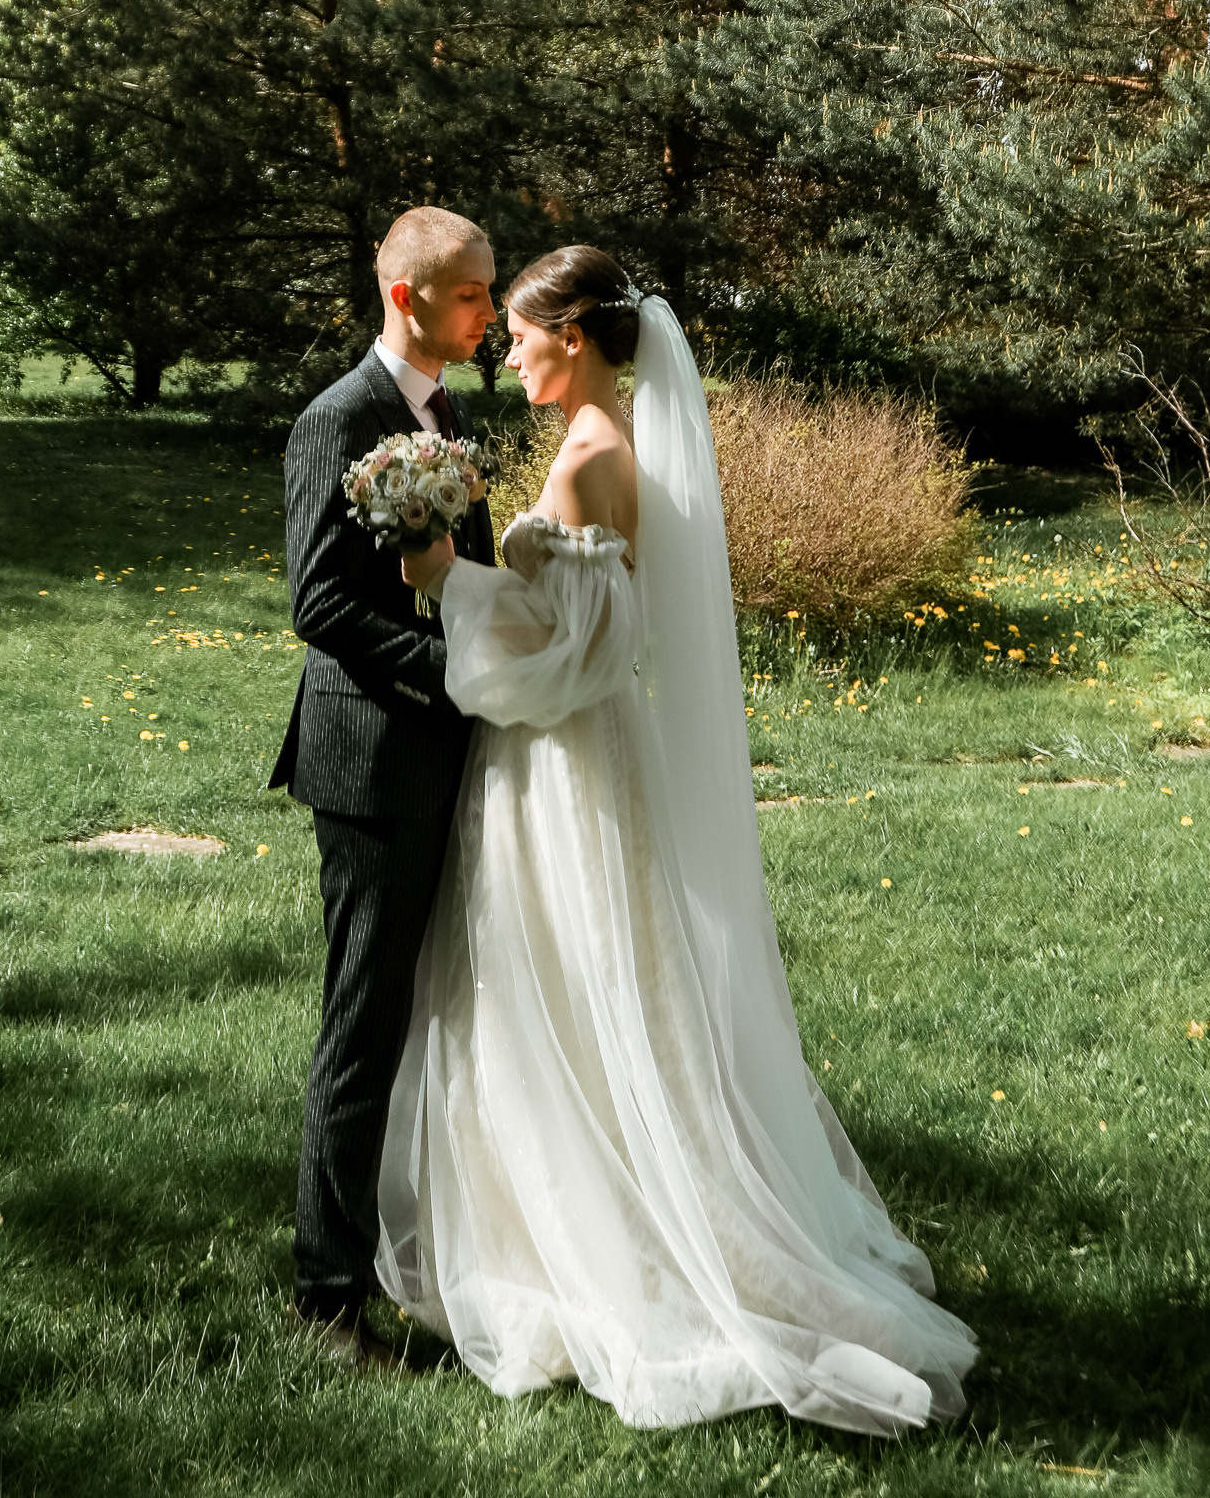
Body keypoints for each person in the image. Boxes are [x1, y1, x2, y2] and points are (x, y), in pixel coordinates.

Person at [376, 243, 977, 1435]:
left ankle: (625, 1254)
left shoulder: (596, 456)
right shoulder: (592, 444)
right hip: (565, 758)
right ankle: (560, 1230)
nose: (506, 345)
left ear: (580, 337)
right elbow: (569, 623)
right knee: (566, 989)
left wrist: (445, 582)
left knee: (580, 989)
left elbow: (581, 656)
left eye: (524, 330)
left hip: (570, 764)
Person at [269, 205, 500, 1366]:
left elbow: (463, 574)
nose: (490, 314)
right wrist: (450, 675)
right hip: (371, 760)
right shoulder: (340, 420)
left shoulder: (444, 413)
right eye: (471, 296)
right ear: (409, 297)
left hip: (445, 752)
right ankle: (323, 1302)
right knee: (362, 1026)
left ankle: (423, 1258)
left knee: (427, 1012)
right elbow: (318, 605)